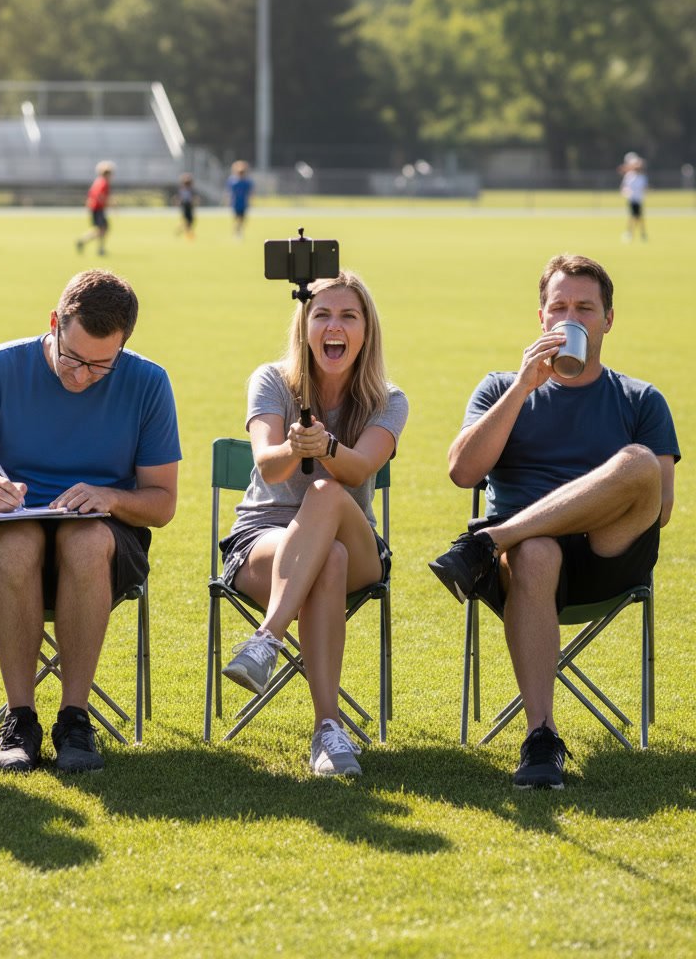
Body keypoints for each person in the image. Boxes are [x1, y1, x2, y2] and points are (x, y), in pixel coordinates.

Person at [428, 253, 679, 790]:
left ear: (608, 318)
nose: (573, 318)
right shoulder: (499, 388)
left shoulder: (641, 399)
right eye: (560, 306)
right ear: (541, 318)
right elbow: (462, 471)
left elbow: (659, 505)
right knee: (536, 551)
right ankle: (541, 736)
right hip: (524, 571)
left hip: (606, 554)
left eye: (585, 308)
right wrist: (523, 386)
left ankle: (491, 538)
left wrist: (501, 536)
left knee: (637, 463)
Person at [0, 269, 181, 774]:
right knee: (16, 539)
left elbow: (162, 504)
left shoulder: (148, 382)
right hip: (9, 530)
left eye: (100, 366)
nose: (81, 376)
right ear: (54, 323)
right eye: (72, 358)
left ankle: (74, 717)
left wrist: (109, 497)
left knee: (85, 538)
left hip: (104, 540)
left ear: (123, 348)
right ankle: (20, 718)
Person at [219, 271, 408, 777]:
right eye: (322, 314)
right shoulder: (272, 380)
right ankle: (328, 730)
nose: (334, 326)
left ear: (366, 330)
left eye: (348, 316)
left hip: (355, 536)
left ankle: (267, 639)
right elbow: (268, 465)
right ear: (305, 325)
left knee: (327, 492)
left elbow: (359, 468)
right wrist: (293, 447)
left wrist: (324, 447)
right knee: (329, 561)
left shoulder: (388, 399)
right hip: (264, 537)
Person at [76, 161, 114, 256]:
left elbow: (91, 195)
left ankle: (89, 244)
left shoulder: (98, 181)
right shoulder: (103, 183)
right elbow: (99, 196)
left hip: (95, 208)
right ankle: (93, 246)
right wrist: (107, 203)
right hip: (98, 209)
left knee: (102, 229)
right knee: (102, 229)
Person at [618, 151, 648, 242]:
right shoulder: (629, 176)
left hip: (639, 199)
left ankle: (641, 234)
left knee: (639, 217)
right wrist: (626, 192)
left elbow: (644, 188)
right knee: (632, 217)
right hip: (632, 199)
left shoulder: (642, 177)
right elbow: (624, 187)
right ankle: (630, 233)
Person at [226, 160, 253, 239]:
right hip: (236, 203)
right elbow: (229, 192)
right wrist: (228, 200)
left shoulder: (247, 182)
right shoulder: (233, 181)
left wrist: (251, 201)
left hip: (243, 203)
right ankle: (237, 231)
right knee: (236, 218)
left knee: (242, 219)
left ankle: (239, 230)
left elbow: (250, 193)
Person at [174, 172, 198, 239]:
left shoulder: (190, 189)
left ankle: (182, 231)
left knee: (190, 221)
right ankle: (189, 234)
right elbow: (179, 197)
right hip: (185, 206)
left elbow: (193, 197)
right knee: (187, 221)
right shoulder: (182, 189)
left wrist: (194, 202)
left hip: (189, 206)